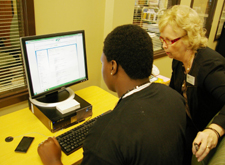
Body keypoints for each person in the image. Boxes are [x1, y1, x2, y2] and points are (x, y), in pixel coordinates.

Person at [38, 24, 186, 165]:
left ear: (113, 66)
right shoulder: (174, 98)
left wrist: (53, 160)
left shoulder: (105, 135)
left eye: (103, 62)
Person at [158, 5, 225, 164]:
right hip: (190, 122)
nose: (164, 46)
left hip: (207, 127)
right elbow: (175, 92)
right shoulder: (178, 59)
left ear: (188, 38)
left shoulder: (210, 67)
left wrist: (214, 130)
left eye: (169, 40)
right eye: (162, 39)